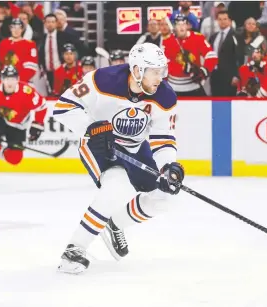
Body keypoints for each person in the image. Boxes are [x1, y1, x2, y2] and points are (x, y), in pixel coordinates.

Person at [54, 43, 184, 274]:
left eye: (162, 70)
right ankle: (74, 249)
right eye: (155, 71)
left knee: (163, 198)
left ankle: (115, 223)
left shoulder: (165, 96)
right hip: (99, 146)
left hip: (135, 147)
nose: (160, 77)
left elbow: (163, 138)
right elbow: (63, 107)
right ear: (137, 71)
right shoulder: (101, 80)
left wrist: (168, 167)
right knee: (117, 184)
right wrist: (91, 128)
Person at [0, 65, 47, 177]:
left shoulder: (27, 92)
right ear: (1, 79)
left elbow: (42, 106)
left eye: (12, 79)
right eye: (7, 79)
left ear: (18, 79)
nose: (10, 83)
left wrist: (37, 124)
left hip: (18, 126)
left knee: (15, 158)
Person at [162, 14, 217, 96]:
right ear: (174, 27)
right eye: (178, 24)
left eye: (183, 24)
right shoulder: (167, 42)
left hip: (194, 86)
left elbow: (211, 56)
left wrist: (203, 71)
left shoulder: (198, 38)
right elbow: (163, 64)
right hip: (174, 87)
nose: (181, 27)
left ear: (188, 26)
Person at [0, 18, 39, 84]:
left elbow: (31, 67)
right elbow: (1, 63)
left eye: (19, 28)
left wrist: (18, 79)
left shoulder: (30, 45)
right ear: (10, 28)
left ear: (22, 29)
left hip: (23, 81)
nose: (16, 30)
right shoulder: (3, 43)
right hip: (5, 80)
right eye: (14, 27)